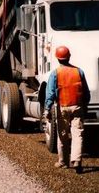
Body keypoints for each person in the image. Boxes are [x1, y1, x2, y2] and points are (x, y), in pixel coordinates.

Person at [44, 45, 90, 174]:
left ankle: (63, 161)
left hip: (62, 107)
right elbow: (86, 92)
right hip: (77, 106)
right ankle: (77, 161)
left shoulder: (55, 73)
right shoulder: (79, 71)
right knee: (78, 134)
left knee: (62, 135)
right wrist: (85, 106)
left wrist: (47, 109)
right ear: (69, 56)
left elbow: (50, 94)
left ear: (57, 58)